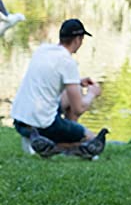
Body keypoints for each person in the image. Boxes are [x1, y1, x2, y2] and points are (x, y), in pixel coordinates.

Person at [11, 18, 102, 151]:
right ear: (77, 40)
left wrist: (77, 82)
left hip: (20, 121)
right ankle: (53, 146)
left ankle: (61, 137)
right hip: (42, 124)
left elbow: (48, 78)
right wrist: (92, 93)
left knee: (70, 94)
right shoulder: (67, 62)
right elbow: (79, 108)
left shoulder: (42, 50)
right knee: (92, 140)